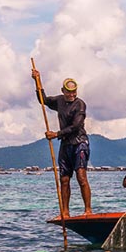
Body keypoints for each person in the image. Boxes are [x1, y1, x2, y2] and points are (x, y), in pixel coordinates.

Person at [31, 70, 92, 217]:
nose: (71, 95)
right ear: (63, 91)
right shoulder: (59, 101)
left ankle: (88, 210)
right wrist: (37, 81)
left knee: (81, 177)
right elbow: (43, 100)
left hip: (80, 143)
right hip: (65, 144)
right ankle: (65, 212)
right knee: (64, 179)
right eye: (68, 92)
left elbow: (76, 126)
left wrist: (56, 134)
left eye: (74, 92)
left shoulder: (80, 104)